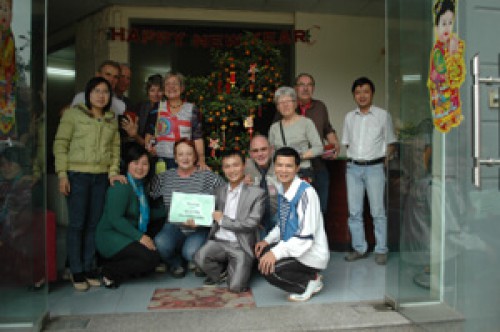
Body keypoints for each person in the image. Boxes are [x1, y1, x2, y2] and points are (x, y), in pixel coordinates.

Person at [54, 76, 124, 291]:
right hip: (77, 176)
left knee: (94, 224)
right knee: (77, 224)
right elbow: (61, 144)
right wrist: (62, 174)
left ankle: (89, 267)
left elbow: (115, 150)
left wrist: (113, 172)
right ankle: (76, 271)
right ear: (88, 94)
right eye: (96, 91)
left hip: (101, 177)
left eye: (105, 92)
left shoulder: (111, 119)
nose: (101, 96)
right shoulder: (73, 115)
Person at [255, 147, 329, 302]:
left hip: (310, 253)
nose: (283, 170)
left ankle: (309, 282)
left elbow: (305, 237)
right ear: (274, 167)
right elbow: (283, 223)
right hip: (294, 246)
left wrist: (275, 253)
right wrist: (267, 241)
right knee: (262, 255)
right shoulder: (283, 189)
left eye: (288, 166)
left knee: (269, 270)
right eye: (279, 165)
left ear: (297, 168)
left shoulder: (306, 193)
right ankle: (308, 275)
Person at [150, 139, 225, 277]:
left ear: (195, 157)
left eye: (189, 154)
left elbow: (227, 193)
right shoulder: (164, 178)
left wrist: (210, 216)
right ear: (175, 157)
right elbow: (149, 194)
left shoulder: (207, 176)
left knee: (190, 252)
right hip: (173, 227)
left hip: (199, 228)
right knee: (160, 243)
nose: (185, 158)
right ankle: (175, 262)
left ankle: (192, 258)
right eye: (181, 154)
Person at [341, 77, 396, 265]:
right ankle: (359, 248)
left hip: (375, 168)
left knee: (378, 211)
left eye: (365, 91)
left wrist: (384, 163)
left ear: (372, 93)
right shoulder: (349, 117)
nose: (362, 96)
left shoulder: (383, 115)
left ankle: (381, 249)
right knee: (354, 212)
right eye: (358, 92)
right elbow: (347, 142)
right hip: (353, 168)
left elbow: (390, 144)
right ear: (353, 95)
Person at [195, 150, 265, 292]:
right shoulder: (218, 191)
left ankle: (236, 269)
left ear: (243, 165)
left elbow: (251, 224)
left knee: (236, 287)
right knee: (200, 257)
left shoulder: (257, 193)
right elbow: (208, 214)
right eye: (227, 166)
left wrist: (223, 221)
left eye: (235, 165)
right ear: (222, 169)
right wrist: (195, 220)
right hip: (219, 241)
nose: (231, 170)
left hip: (240, 245)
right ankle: (221, 272)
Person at [96, 144, 165, 289]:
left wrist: (173, 212)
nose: (140, 167)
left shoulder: (140, 186)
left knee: (152, 256)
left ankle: (123, 269)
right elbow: (116, 219)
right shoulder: (121, 186)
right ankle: (108, 271)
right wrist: (140, 237)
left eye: (144, 164)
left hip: (126, 234)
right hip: (110, 237)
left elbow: (144, 213)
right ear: (127, 164)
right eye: (135, 163)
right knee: (150, 259)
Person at [294, 73, 340, 216]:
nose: (305, 88)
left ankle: (318, 238)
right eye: (302, 84)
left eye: (309, 85)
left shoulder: (320, 107)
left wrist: (334, 144)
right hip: (296, 168)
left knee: (320, 209)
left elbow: (327, 129)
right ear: (295, 88)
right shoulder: (288, 107)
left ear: (313, 88)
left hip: (319, 165)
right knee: (298, 210)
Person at [145, 72, 207, 171]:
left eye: (175, 83)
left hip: (184, 160)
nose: (171, 87)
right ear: (164, 89)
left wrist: (201, 159)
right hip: (161, 161)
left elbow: (197, 137)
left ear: (182, 88)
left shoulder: (192, 109)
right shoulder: (157, 107)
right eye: (167, 84)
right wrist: (149, 146)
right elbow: (149, 133)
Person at [0, 146, 44, 287]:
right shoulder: (3, 185)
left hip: (14, 233)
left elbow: (25, 217)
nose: (6, 167)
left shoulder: (29, 185)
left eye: (10, 163)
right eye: (2, 164)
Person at [268, 86, 323, 182]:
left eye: (288, 101)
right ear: (277, 107)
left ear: (295, 104)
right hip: (282, 173)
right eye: (281, 103)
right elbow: (271, 153)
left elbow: (318, 148)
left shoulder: (306, 123)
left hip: (302, 171)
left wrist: (298, 156)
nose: (285, 105)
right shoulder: (274, 128)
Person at [427, 0, 465, 133]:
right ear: (436, 27)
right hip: (442, 100)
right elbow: (444, 74)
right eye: (443, 23)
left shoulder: (454, 45)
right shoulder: (438, 51)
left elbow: (458, 76)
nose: (447, 28)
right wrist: (452, 54)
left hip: (453, 99)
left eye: (450, 23)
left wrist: (454, 53)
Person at [244, 134, 278, 237]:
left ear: (271, 150)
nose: (260, 154)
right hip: (256, 221)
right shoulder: (244, 167)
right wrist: (241, 186)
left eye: (263, 149)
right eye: (255, 151)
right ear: (250, 154)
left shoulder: (280, 164)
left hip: (279, 217)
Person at [121, 74, 164, 148]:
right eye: (152, 90)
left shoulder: (167, 109)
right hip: (140, 147)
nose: (156, 94)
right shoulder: (140, 107)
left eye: (159, 90)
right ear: (147, 92)